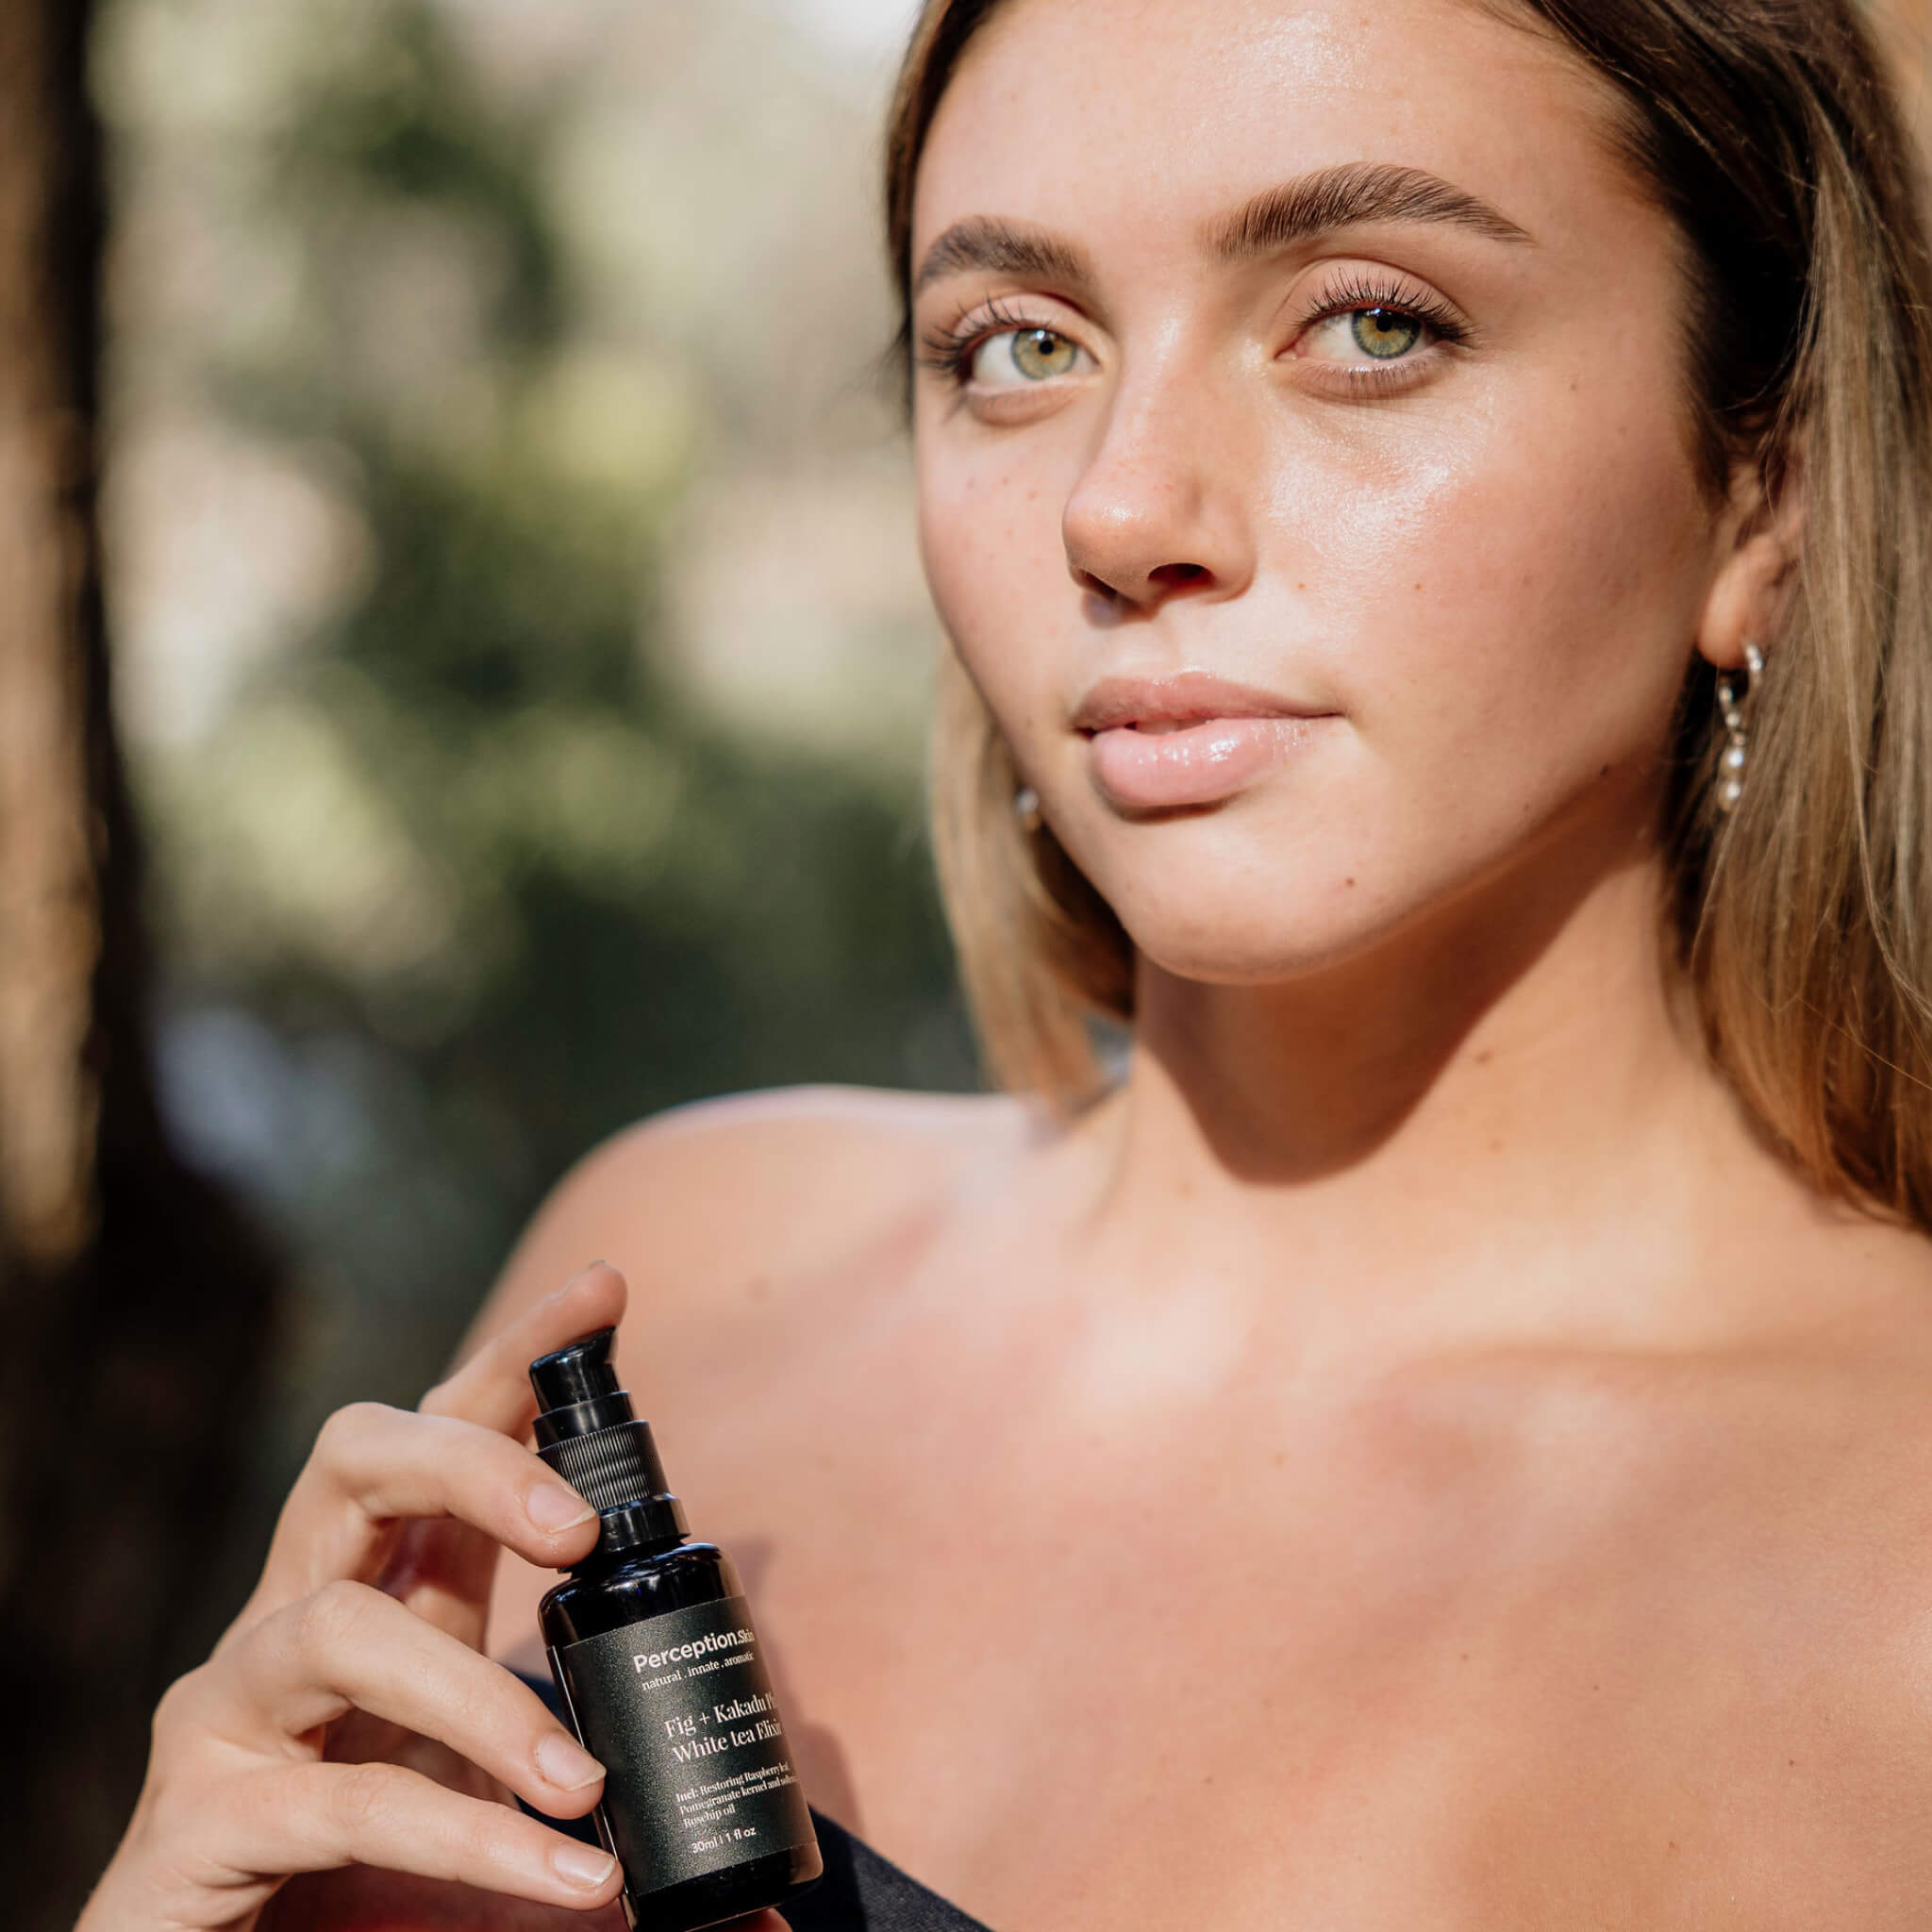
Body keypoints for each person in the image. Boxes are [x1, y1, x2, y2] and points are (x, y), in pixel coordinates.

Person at [78, 0, 1932, 1925]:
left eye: (1372, 320)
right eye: (1018, 347)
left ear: (1765, 485)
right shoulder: (679, 1283)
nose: (1119, 508)